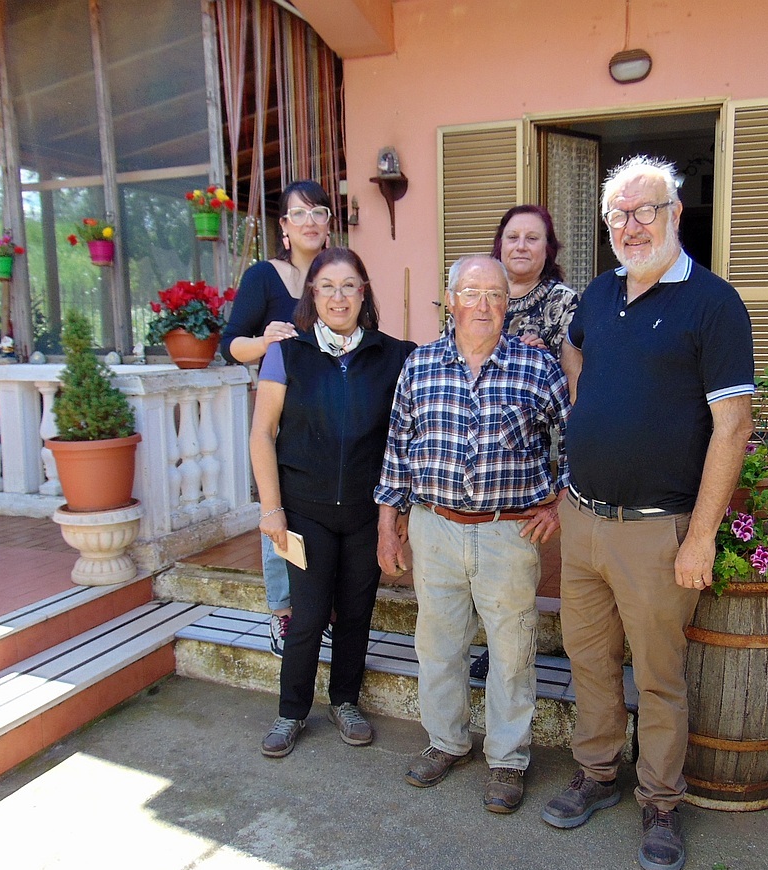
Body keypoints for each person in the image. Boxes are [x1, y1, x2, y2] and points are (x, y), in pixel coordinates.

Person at [542, 156, 754, 870]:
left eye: (644, 211)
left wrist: (701, 536)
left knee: (659, 674)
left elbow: (733, 428)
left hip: (659, 531)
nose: (630, 227)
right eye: (617, 216)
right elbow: (575, 351)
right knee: (589, 660)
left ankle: (661, 800)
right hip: (583, 519)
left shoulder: (713, 304)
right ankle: (598, 773)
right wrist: (588, 404)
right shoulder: (598, 296)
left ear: (674, 215)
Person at [375, 255, 571, 815]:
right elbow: (396, 451)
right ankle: (446, 742)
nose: (483, 305)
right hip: (434, 529)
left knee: (512, 650)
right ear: (451, 299)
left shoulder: (536, 368)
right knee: (438, 645)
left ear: (507, 305)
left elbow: (576, 436)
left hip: (508, 535)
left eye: (495, 295)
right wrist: (390, 525)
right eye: (472, 293)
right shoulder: (419, 366)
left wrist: (556, 502)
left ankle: (508, 760)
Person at [251, 247, 415, 758]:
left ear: (363, 293)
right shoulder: (288, 351)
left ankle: (344, 701)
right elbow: (262, 432)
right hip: (303, 510)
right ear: (312, 295)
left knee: (358, 610)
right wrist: (271, 509)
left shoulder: (394, 355)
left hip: (368, 512)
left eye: (349, 286)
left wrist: (401, 511)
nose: (338, 296)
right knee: (307, 614)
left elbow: (408, 436)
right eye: (327, 286)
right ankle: (290, 712)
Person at [221, 180, 333, 657]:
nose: (310, 221)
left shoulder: (338, 274)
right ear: (284, 227)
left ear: (329, 223)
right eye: (298, 214)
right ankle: (285, 613)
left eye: (319, 212)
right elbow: (232, 345)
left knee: (326, 515)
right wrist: (266, 342)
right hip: (282, 417)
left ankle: (321, 610)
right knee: (278, 509)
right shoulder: (264, 277)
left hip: (331, 417)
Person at [469, 204, 581, 681]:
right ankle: (494, 643)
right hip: (475, 447)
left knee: (519, 557)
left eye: (532, 238)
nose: (520, 246)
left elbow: (577, 379)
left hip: (533, 451)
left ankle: (511, 651)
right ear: (500, 244)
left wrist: (546, 358)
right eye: (512, 236)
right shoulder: (480, 295)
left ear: (548, 249)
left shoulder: (561, 302)